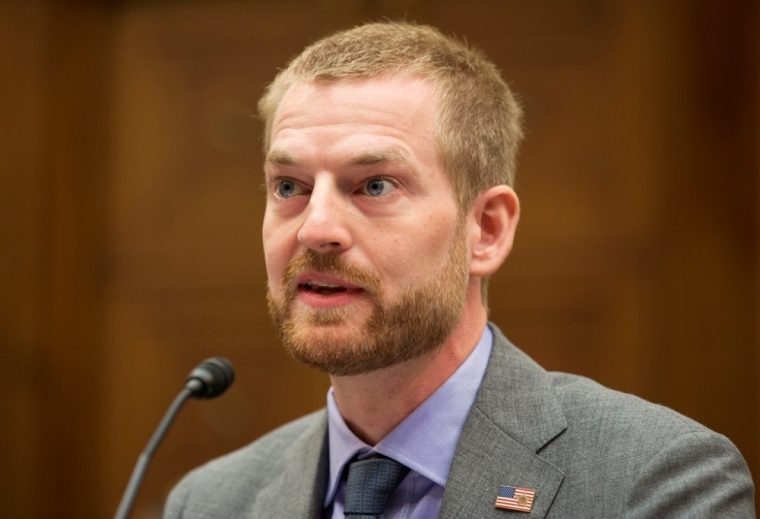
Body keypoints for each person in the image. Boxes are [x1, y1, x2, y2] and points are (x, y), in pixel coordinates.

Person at [164, 22, 755, 518]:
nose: (315, 228)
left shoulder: (655, 481)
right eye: (289, 186)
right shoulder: (211, 502)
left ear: (487, 229)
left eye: (374, 185)